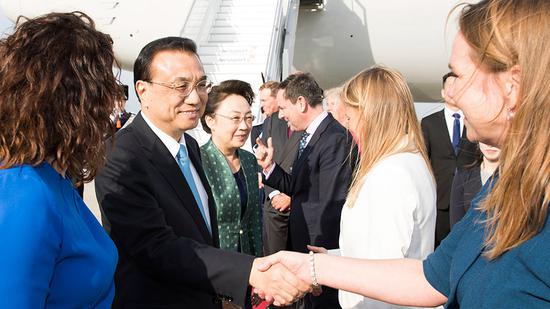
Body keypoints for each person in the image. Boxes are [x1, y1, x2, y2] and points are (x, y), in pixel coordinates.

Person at [257, 0, 550, 308]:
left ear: (512, 88)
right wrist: (314, 267)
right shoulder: (507, 185)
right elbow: (431, 277)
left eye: (459, 75)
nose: (452, 92)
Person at [95, 37, 309, 308]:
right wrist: (248, 272)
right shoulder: (120, 155)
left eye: (200, 85)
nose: (195, 98)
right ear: (143, 90)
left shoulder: (190, 146)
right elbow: (154, 246)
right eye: (181, 86)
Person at [0, 12, 121, 307]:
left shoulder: (55, 178)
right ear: (75, 100)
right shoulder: (27, 192)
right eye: (102, 88)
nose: (110, 101)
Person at [325, 66, 436, 309]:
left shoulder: (391, 173)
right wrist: (332, 259)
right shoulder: (408, 161)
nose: (350, 130)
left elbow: (383, 276)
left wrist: (320, 270)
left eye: (351, 119)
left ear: (370, 115)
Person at [256, 73, 356, 309]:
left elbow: (332, 202)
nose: (280, 115)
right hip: (307, 247)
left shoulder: (334, 139)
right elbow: (298, 187)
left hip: (319, 248)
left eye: (283, 108)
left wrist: (321, 257)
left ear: (301, 103)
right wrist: (269, 167)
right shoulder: (312, 136)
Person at [200, 79, 262, 257]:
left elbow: (254, 222)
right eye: (235, 118)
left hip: (250, 262)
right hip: (217, 264)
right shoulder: (199, 161)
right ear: (210, 120)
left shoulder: (249, 160)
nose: (244, 126)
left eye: (248, 118)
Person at [421, 72, 477, 247]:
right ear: (443, 92)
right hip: (440, 198)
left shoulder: (474, 121)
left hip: (468, 196)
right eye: (449, 86)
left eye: (457, 86)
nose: (453, 91)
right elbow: (425, 160)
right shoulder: (429, 123)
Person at [261, 78, 303, 257]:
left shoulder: (307, 125)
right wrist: (274, 193)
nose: (262, 106)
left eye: (264, 100)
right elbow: (264, 159)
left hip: (298, 206)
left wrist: (291, 197)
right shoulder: (272, 122)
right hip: (274, 207)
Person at [449, 142, 500, 227]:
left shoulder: (518, 177)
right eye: (485, 138)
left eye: (495, 139)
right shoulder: (463, 176)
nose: (490, 144)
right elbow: (456, 226)